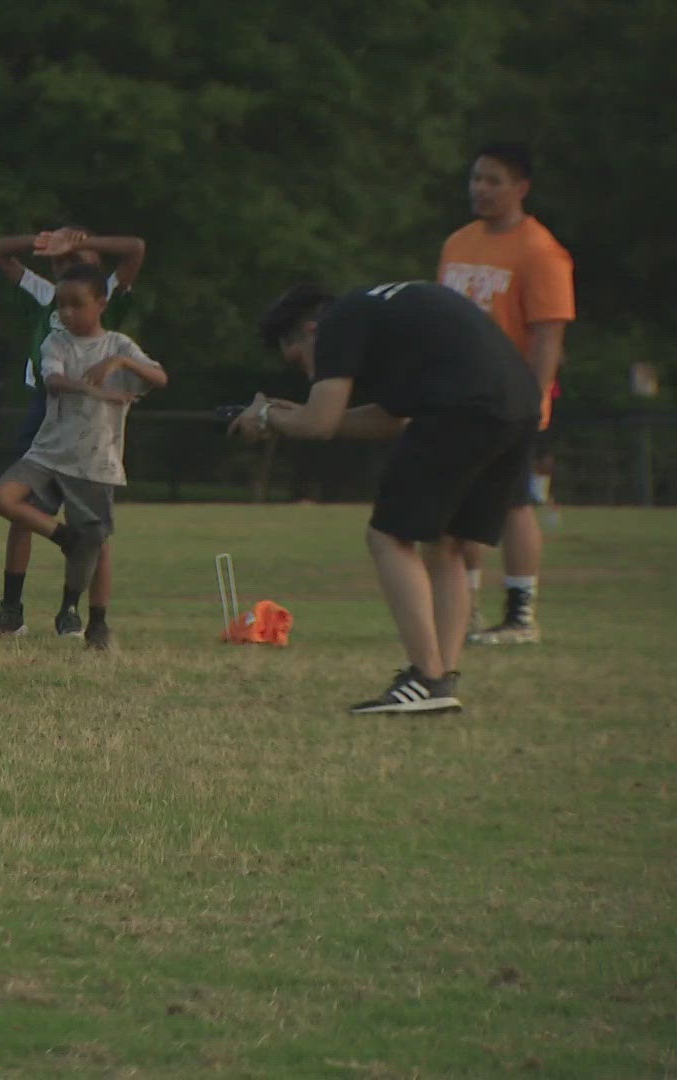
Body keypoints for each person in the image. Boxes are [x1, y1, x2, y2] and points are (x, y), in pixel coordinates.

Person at [230, 281, 539, 713]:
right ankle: (440, 682)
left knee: (388, 537)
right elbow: (388, 421)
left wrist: (266, 415)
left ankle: (424, 676)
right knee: (447, 544)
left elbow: (318, 425)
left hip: (462, 407)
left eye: (298, 358)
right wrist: (289, 416)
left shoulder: (336, 325)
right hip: (519, 404)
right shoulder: (382, 320)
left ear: (309, 330)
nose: (306, 373)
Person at [0, 225, 146, 639]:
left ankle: (74, 611)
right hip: (45, 409)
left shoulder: (104, 296)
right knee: (23, 509)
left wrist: (84, 243)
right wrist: (44, 241)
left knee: (90, 520)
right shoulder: (46, 295)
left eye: (75, 261)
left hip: (92, 417)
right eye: (60, 262)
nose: (66, 264)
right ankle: (11, 609)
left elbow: (135, 246)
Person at [436, 143, 575, 644]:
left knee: (513, 502)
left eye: (494, 180)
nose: (481, 189)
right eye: (476, 178)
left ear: (521, 188)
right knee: (459, 499)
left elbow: (547, 334)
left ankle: (520, 615)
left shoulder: (539, 250)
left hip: (508, 393)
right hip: (459, 393)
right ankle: (464, 609)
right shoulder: (458, 242)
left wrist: (536, 397)